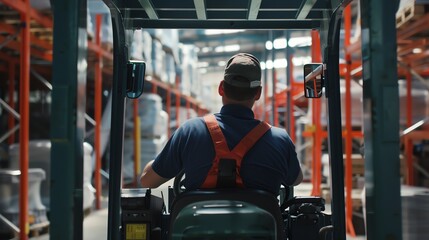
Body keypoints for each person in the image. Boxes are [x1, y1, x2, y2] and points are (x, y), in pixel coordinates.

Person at [140, 52, 302, 195]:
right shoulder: (280, 139)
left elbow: (148, 181)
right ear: (258, 93)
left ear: (221, 88)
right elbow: (296, 180)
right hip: (262, 229)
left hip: (196, 229)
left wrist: (158, 162)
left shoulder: (189, 131)